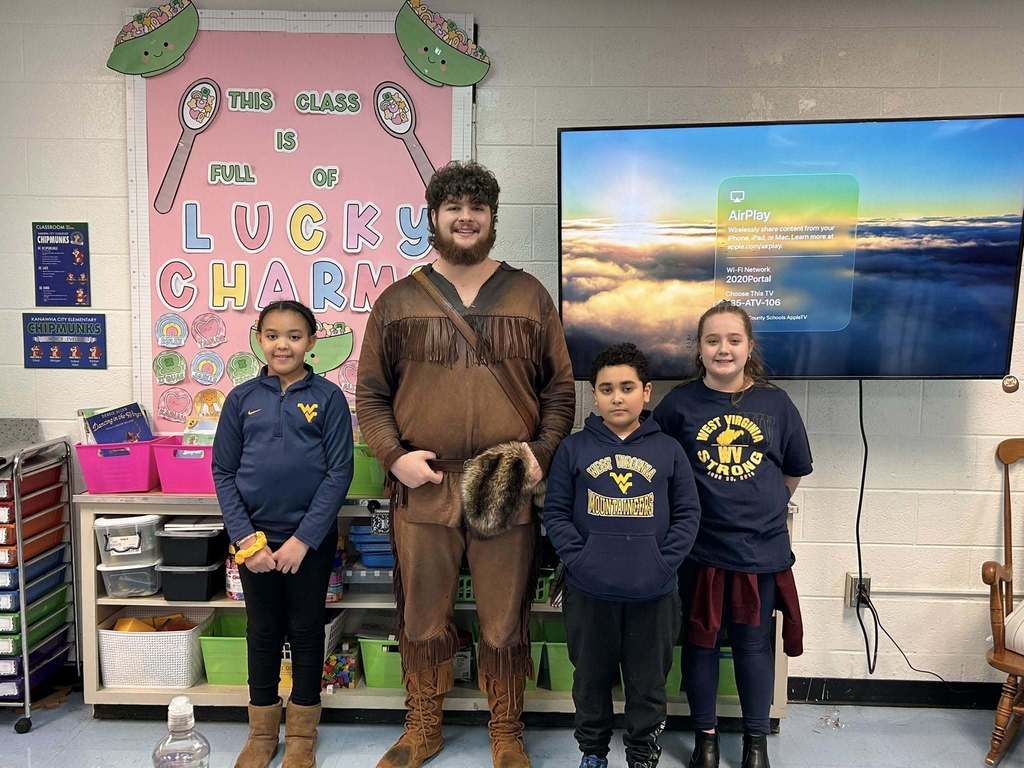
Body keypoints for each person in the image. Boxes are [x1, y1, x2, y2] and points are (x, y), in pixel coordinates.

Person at [356, 160, 576, 768]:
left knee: (504, 617)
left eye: (476, 208)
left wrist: (541, 451)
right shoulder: (399, 301)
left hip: (505, 481)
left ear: (492, 219)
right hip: (425, 482)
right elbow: (371, 394)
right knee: (423, 613)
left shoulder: (530, 295)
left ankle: (506, 730)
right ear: (433, 218)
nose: (465, 218)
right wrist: (394, 458)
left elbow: (560, 390)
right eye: (453, 207)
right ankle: (423, 724)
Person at [653, 301, 812, 768]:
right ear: (699, 349)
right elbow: (657, 471)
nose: (723, 349)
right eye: (712, 340)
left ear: (748, 347)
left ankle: (755, 742)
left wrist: (759, 512)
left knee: (753, 644)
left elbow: (792, 473)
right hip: (699, 551)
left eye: (733, 340)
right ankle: (705, 738)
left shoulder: (775, 403)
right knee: (701, 642)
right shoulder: (679, 404)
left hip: (759, 552)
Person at [543, 343, 701, 768]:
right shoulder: (574, 449)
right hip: (589, 592)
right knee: (590, 680)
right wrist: (580, 559)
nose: (617, 397)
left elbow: (688, 514)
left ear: (646, 392)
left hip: (654, 593)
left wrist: (663, 563)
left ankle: (641, 754)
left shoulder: (668, 449)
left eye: (627, 387)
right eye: (607, 388)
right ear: (593, 394)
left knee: (648, 683)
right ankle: (593, 753)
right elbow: (555, 513)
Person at [213, 299, 354, 768]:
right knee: (263, 631)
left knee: (307, 629)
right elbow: (223, 472)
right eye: (272, 335)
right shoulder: (241, 400)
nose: (282, 344)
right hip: (254, 543)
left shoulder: (329, 398)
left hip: (307, 542)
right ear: (259, 339)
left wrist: (304, 539)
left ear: (311, 343)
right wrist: (248, 542)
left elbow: (339, 471)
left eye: (294, 336)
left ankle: (301, 735)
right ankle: (261, 733)